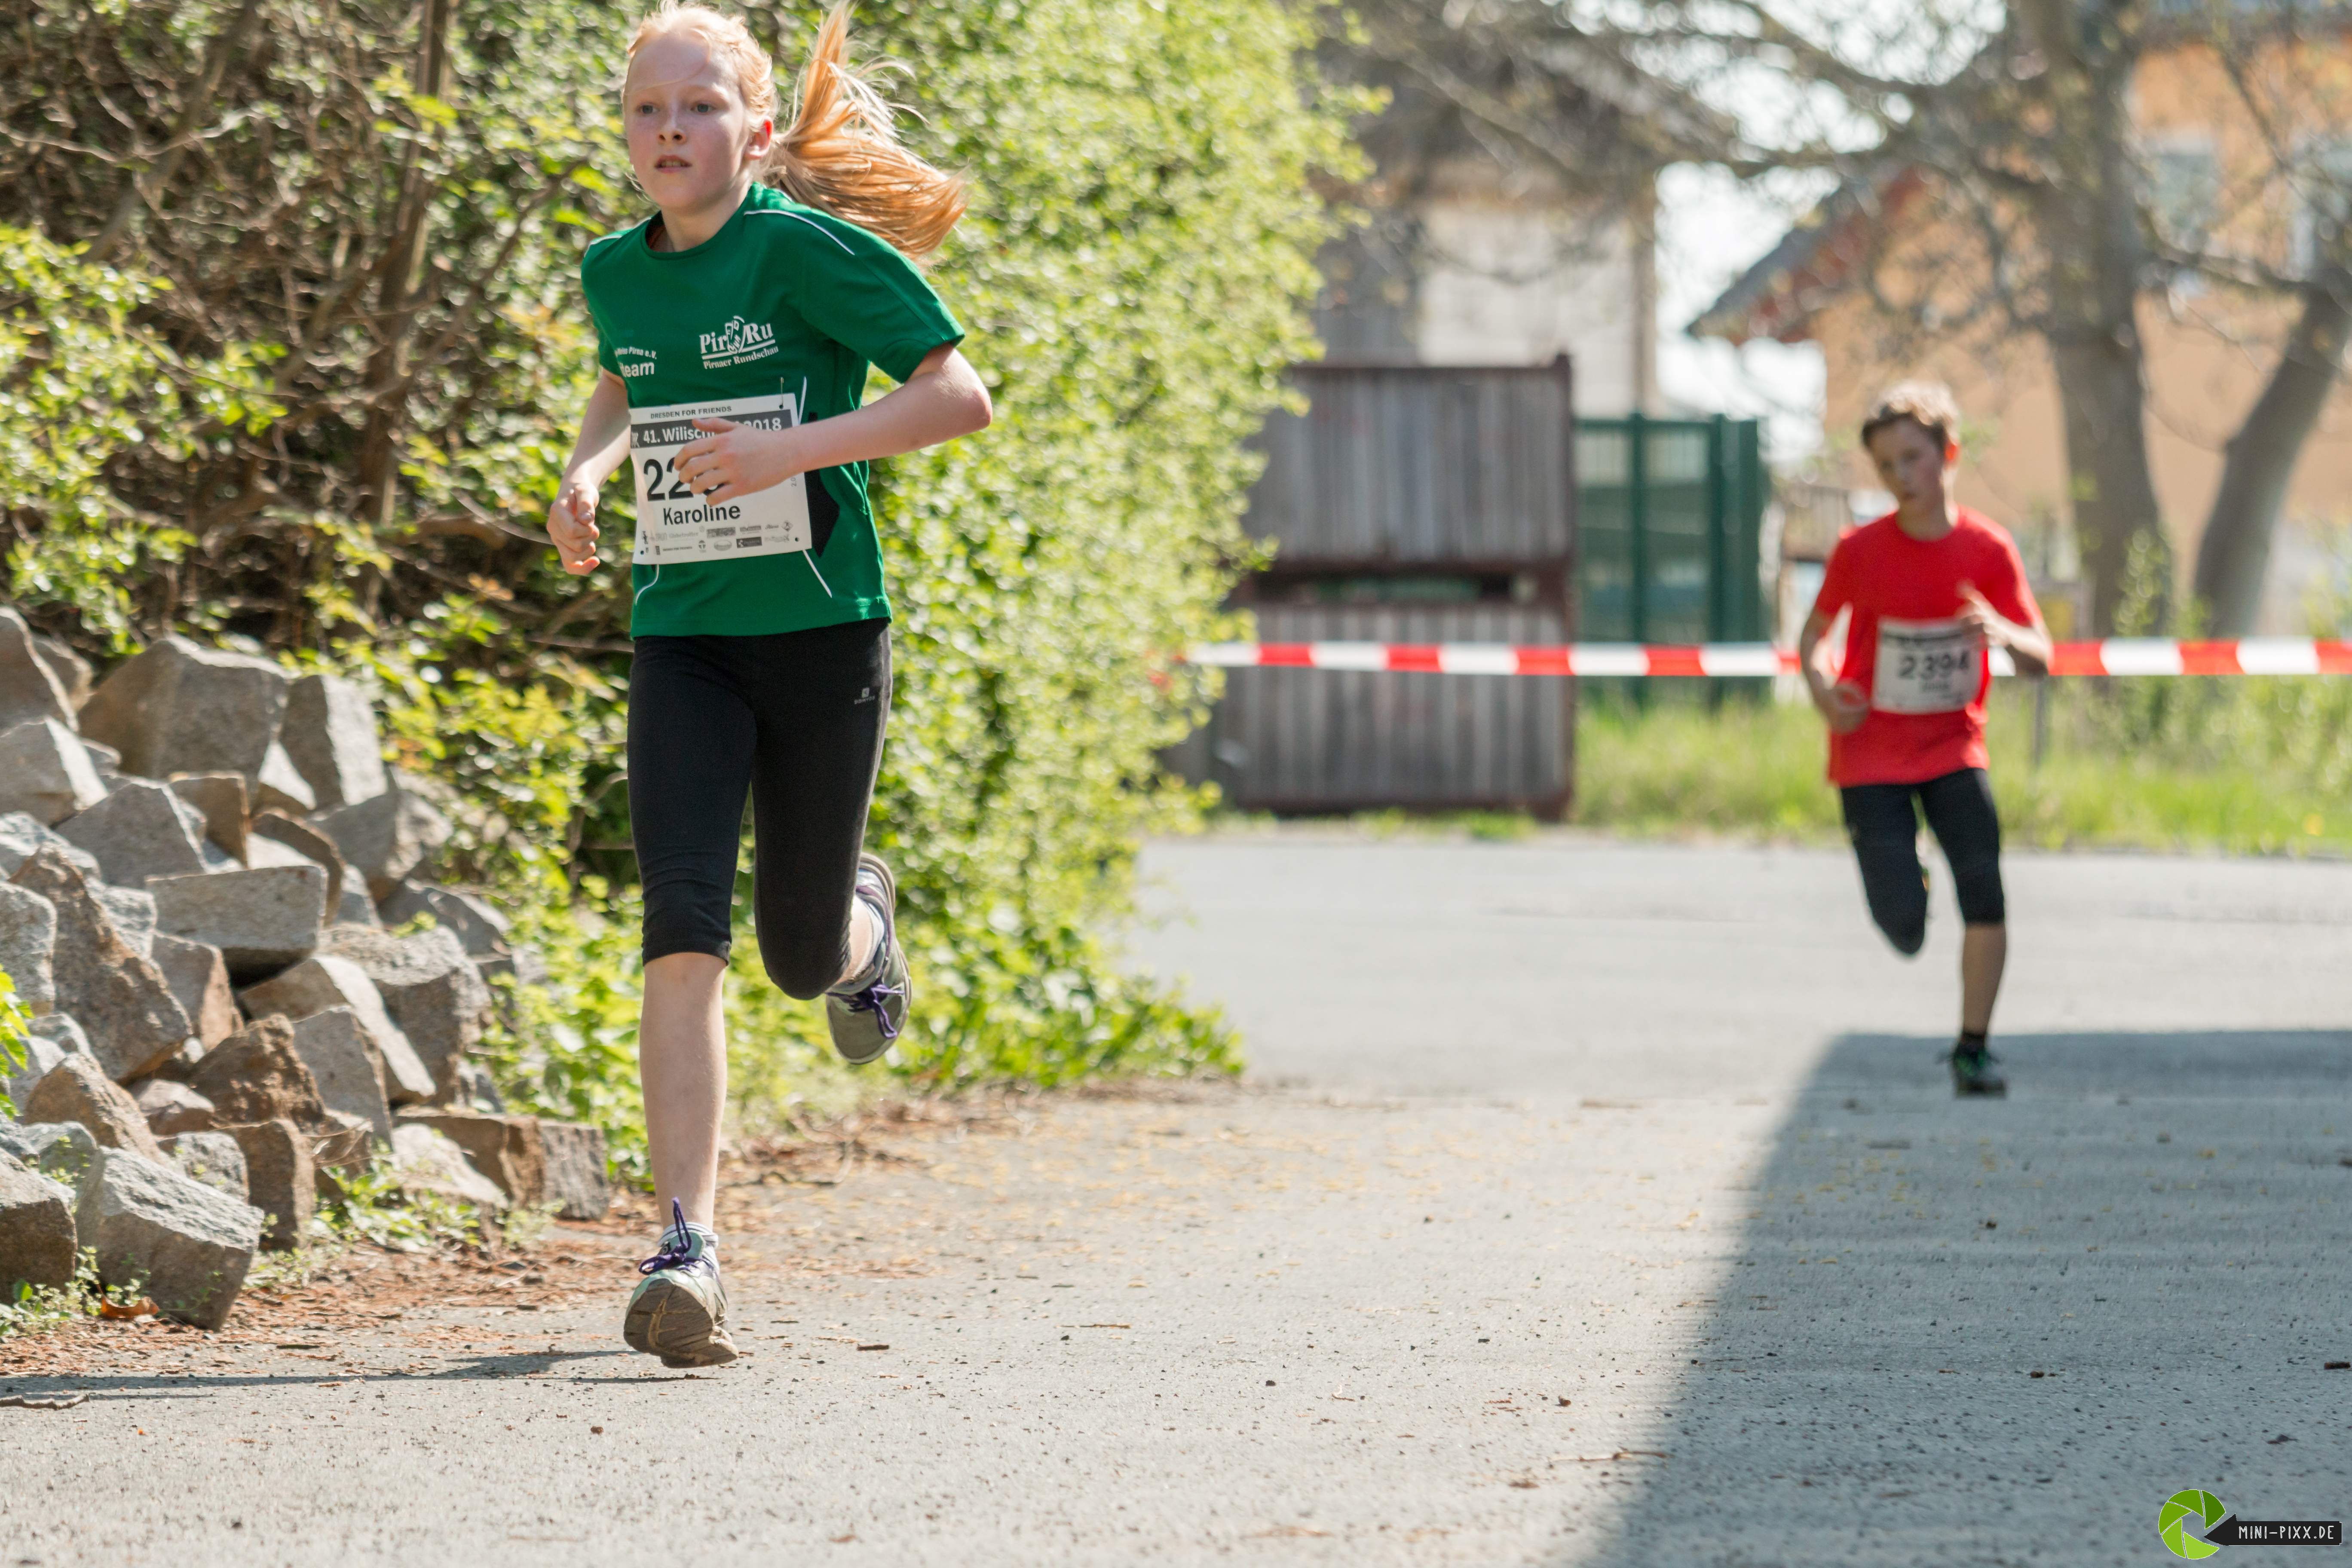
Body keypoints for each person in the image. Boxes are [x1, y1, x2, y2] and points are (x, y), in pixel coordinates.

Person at [544, 1, 991, 1366]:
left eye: (698, 107)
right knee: (680, 929)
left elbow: (956, 396)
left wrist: (793, 452)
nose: (669, 130)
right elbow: (625, 380)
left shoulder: (802, 252)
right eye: (647, 109)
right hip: (683, 636)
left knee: (799, 955)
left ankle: (863, 925)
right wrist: (586, 471)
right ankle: (687, 1248)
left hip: (819, 634)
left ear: (754, 129)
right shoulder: (615, 270)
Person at [1798, 382, 2051, 1097]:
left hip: (1953, 746)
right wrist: (1823, 691)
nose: (1900, 476)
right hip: (1871, 751)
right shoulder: (1860, 550)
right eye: (1886, 465)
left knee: (1986, 890)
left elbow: (2042, 655)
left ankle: (1973, 1050)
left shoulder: (1988, 548)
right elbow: (1813, 638)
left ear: (1949, 453)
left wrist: (2001, 632)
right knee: (1903, 925)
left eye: (1913, 457)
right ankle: (1909, 881)